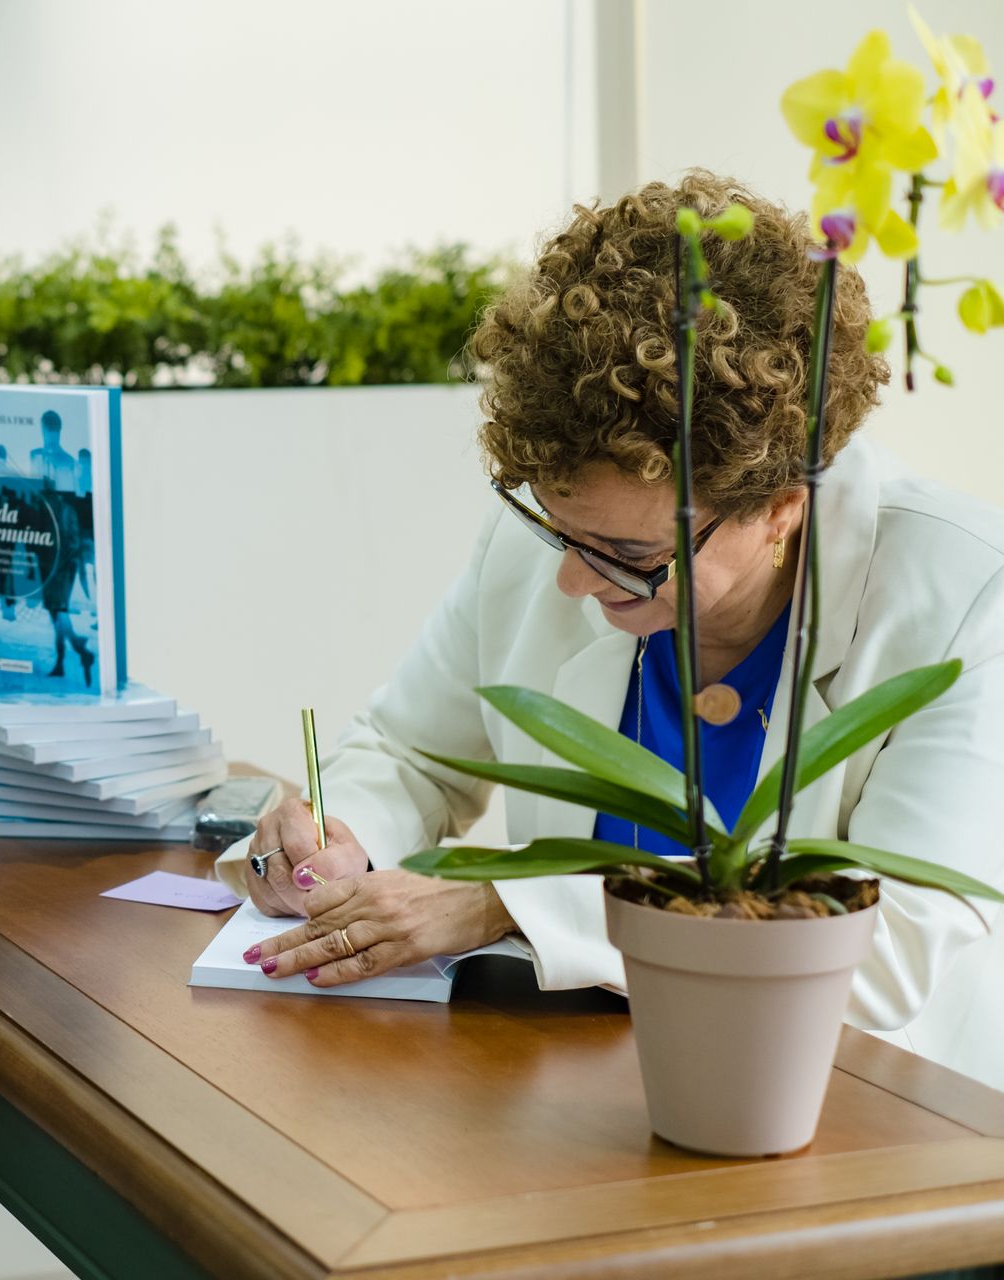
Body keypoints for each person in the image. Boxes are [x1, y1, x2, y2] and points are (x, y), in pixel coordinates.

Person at [228, 172, 1004, 1089]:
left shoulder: (963, 591)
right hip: (592, 1089)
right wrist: (337, 835)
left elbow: (893, 944)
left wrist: (507, 901)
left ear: (783, 508)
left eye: (628, 552)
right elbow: (410, 754)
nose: (569, 576)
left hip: (863, 1118)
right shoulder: (563, 534)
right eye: (558, 529)